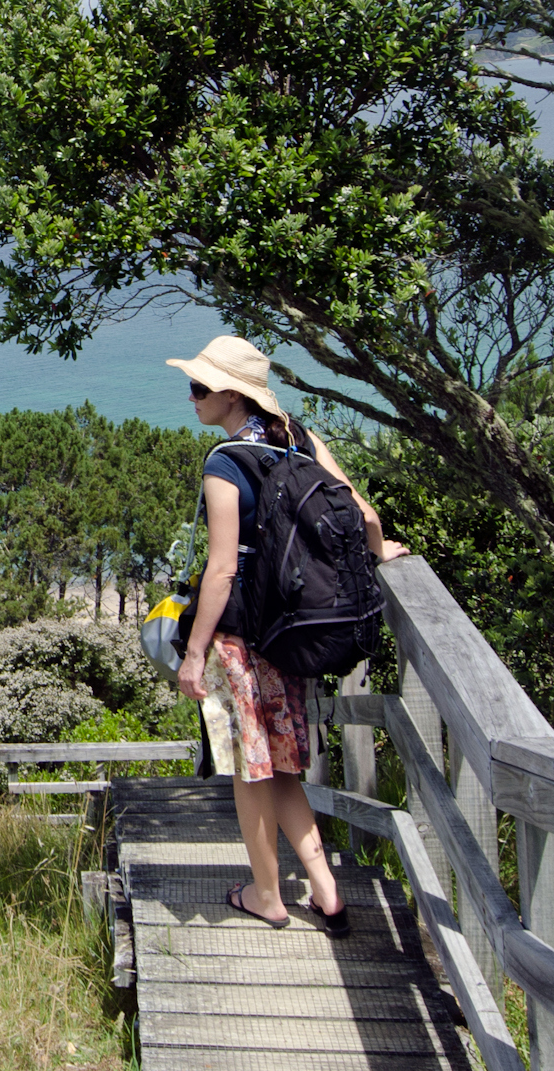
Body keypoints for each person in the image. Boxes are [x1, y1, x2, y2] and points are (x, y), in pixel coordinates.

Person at [166, 333, 407, 932]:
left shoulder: (225, 463)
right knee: (284, 763)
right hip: (290, 633)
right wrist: (383, 550)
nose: (191, 398)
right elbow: (364, 514)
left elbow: (221, 569)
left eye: (199, 388)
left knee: (251, 770)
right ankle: (324, 888)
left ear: (230, 396)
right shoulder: (299, 438)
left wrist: (194, 654)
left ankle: (268, 896)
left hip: (240, 637)